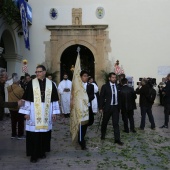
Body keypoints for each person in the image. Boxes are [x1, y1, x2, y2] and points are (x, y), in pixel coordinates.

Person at [19, 65, 60, 163]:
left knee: (44, 133)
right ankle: (34, 154)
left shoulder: (51, 84)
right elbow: (27, 99)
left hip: (46, 110)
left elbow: (54, 100)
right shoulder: (31, 83)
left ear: (44, 72)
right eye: (36, 71)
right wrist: (26, 112)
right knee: (34, 134)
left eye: (39, 71)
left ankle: (42, 152)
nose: (37, 73)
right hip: (33, 111)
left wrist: (54, 112)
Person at [99, 72, 123, 146]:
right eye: (112, 77)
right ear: (109, 78)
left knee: (116, 123)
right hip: (108, 107)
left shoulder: (118, 86)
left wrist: (120, 107)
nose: (114, 79)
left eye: (115, 77)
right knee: (105, 122)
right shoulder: (105, 86)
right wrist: (100, 107)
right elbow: (101, 97)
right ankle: (103, 134)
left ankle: (117, 139)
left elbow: (120, 97)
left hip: (115, 107)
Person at [7, 73, 25, 139]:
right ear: (18, 81)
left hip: (11, 106)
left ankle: (13, 134)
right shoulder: (20, 89)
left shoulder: (9, 88)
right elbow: (23, 98)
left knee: (13, 121)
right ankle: (20, 135)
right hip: (18, 107)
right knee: (20, 121)